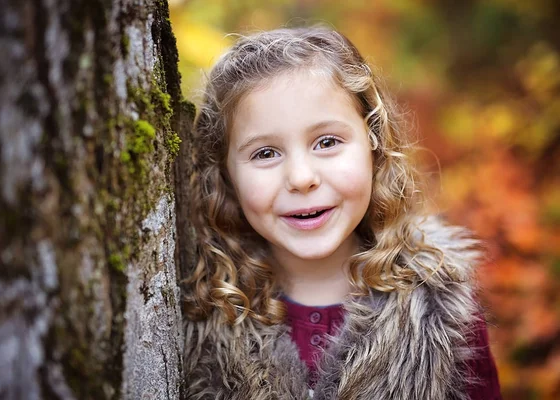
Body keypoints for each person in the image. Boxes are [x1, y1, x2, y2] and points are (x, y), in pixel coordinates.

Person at [181, 26, 502, 400]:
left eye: (327, 142)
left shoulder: (444, 312)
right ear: (225, 174)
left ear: (374, 144)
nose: (301, 178)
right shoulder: (198, 317)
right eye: (265, 153)